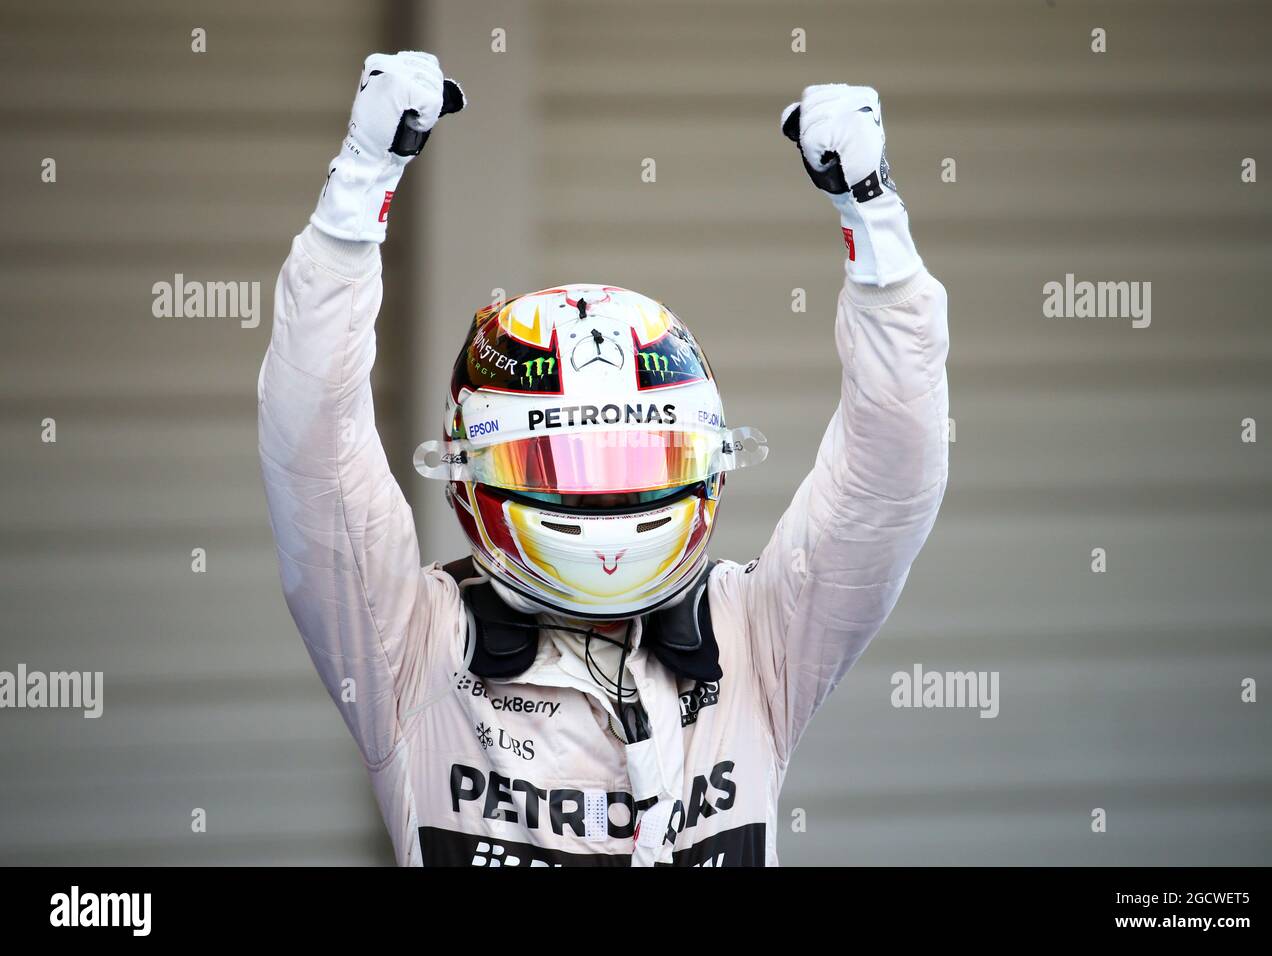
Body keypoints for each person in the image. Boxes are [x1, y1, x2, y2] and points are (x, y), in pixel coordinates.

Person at [259, 51, 949, 866]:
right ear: (467, 475)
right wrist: (354, 197)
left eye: (636, 453)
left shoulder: (753, 638)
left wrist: (878, 233)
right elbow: (314, 451)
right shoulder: (414, 650)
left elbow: (890, 477)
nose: (610, 505)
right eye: (563, 469)